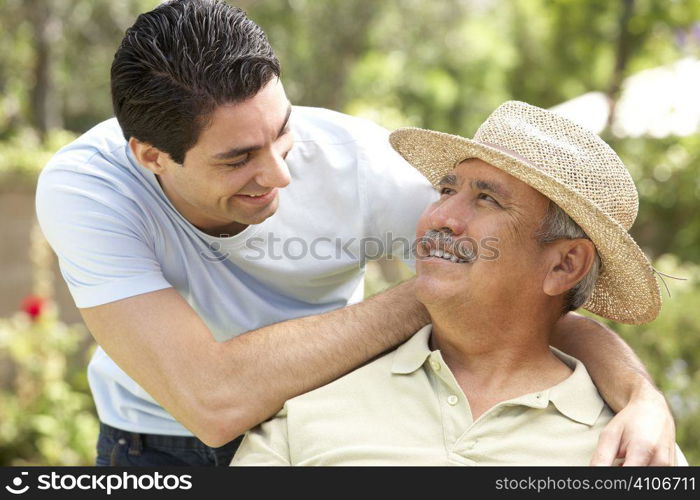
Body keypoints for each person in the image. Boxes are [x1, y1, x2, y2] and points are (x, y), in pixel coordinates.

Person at [36, 0, 674, 466]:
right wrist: (439, 286)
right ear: (150, 156)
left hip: (321, 422)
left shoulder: (360, 166)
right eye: (239, 159)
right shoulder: (90, 191)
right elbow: (212, 402)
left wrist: (642, 398)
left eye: (283, 130)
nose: (280, 174)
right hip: (155, 445)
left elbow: (528, 291)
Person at [231, 101, 687, 466]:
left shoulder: (636, 452)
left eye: (486, 199)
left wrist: (641, 398)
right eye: (447, 191)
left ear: (565, 265)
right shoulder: (309, 409)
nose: (439, 217)